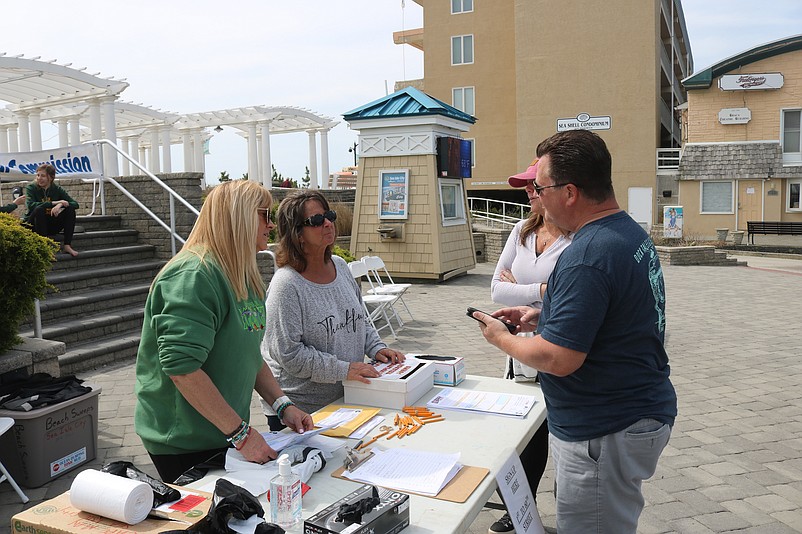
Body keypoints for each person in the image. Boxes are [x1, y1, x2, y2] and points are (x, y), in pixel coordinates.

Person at [473, 129, 676, 534]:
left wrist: (502, 338)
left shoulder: (587, 254)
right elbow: (613, 315)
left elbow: (558, 359)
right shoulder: (627, 232)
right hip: (634, 411)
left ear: (569, 192)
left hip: (604, 429)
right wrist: (542, 318)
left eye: (540, 188)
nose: (536, 197)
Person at [134, 180, 314, 483]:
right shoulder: (194, 275)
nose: (270, 225)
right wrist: (242, 434)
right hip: (185, 440)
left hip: (221, 432)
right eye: (264, 215)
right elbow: (182, 369)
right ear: (239, 216)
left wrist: (283, 405)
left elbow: (247, 354)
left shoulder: (240, 273)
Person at [261, 190, 405, 429]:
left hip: (346, 397)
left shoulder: (340, 265)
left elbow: (360, 319)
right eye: (316, 220)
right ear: (297, 234)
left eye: (329, 215)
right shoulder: (286, 285)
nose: (327, 223)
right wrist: (344, 369)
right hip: (300, 411)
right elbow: (289, 355)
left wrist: (376, 348)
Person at [486, 158, 572, 534]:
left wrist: (528, 290)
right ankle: (521, 509)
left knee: (562, 434)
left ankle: (570, 512)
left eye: (533, 186)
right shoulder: (520, 230)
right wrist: (541, 290)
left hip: (555, 346)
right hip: (518, 349)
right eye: (526, 186)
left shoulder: (575, 237)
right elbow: (495, 288)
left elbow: (568, 293)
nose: (527, 192)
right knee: (523, 437)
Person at [24, 164, 80, 256]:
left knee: (70, 209)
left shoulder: (56, 189)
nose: (39, 178)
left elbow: (75, 204)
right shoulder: (31, 188)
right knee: (39, 209)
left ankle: (67, 245)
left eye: (43, 176)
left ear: (51, 177)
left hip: (50, 224)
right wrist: (53, 203)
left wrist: (60, 204)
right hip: (33, 224)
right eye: (38, 175)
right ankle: (45, 248)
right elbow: (31, 205)